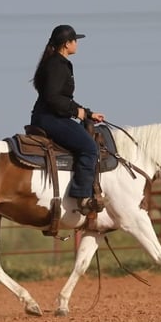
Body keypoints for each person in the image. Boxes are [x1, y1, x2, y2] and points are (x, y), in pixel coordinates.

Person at [30, 24, 106, 215]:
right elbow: (53, 98)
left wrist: (87, 113)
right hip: (50, 118)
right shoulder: (57, 65)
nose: (77, 44)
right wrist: (76, 112)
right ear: (66, 44)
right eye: (75, 41)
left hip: (49, 115)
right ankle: (82, 196)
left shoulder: (56, 62)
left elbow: (63, 99)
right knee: (89, 148)